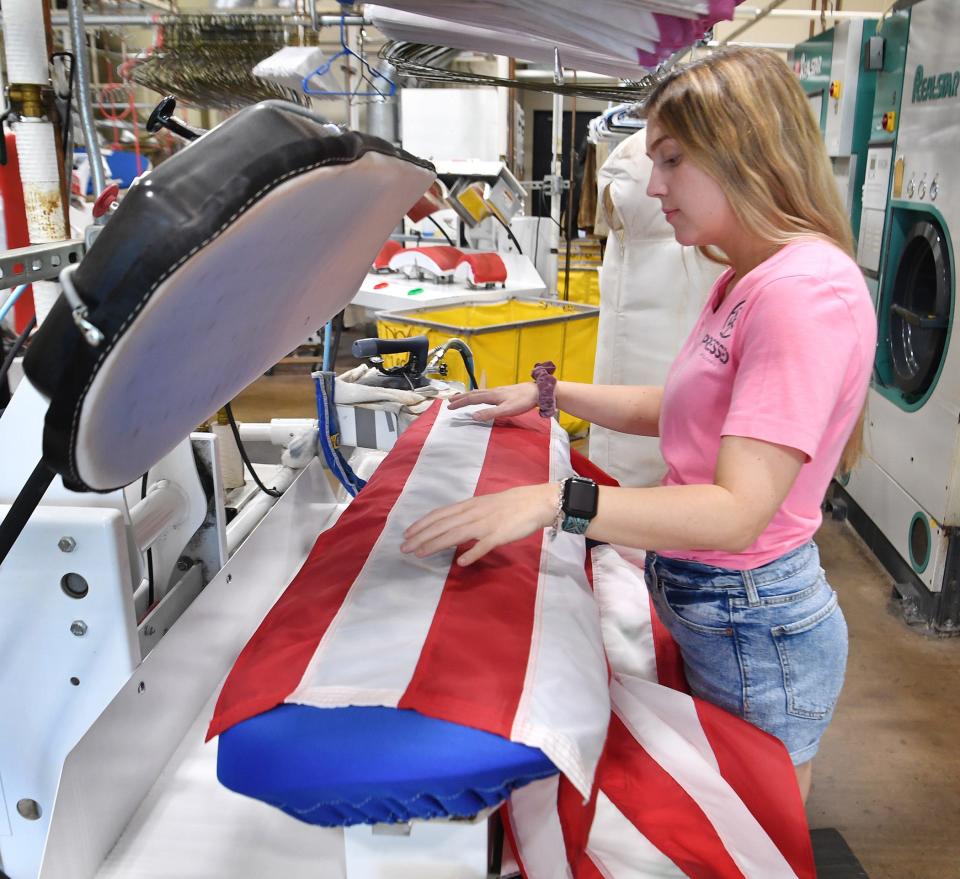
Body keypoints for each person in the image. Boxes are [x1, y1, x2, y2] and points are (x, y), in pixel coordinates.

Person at [400, 47, 877, 802]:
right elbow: (686, 409)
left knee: (755, 827)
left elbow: (737, 511)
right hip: (713, 601)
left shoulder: (803, 293)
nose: (655, 187)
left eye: (673, 160)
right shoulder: (745, 280)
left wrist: (559, 503)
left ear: (744, 151)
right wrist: (547, 394)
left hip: (755, 622)